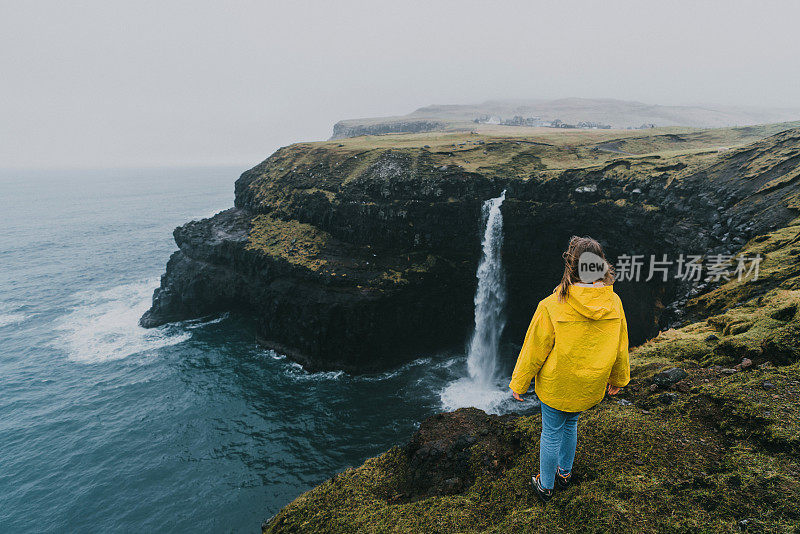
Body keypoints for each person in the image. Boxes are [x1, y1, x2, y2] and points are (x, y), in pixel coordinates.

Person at [508, 236, 630, 503]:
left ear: (571, 267)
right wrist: (618, 377)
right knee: (571, 423)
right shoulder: (615, 302)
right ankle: (565, 473)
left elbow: (533, 349)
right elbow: (621, 346)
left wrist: (520, 382)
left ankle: (546, 485)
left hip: (557, 385)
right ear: (601, 266)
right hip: (588, 385)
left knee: (551, 432)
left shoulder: (551, 305)